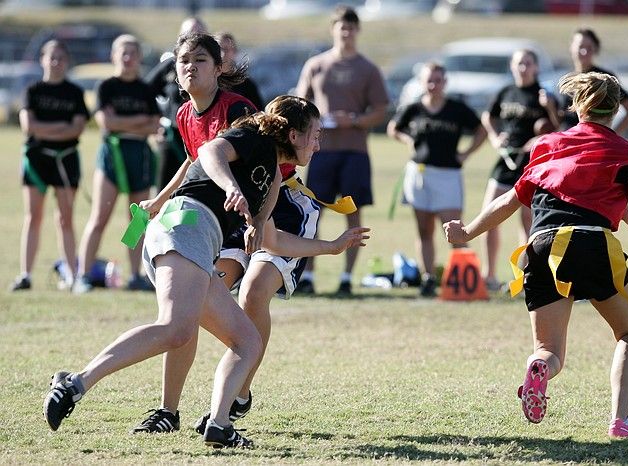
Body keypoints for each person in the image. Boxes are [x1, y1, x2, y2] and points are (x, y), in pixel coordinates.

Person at [43, 95, 327, 449]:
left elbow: (270, 236)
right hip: (187, 224)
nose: (318, 143)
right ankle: (75, 383)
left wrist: (331, 245)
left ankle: (219, 426)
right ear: (294, 135)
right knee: (177, 329)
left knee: (247, 341)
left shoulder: (271, 172)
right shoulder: (255, 137)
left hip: (197, 239)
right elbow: (209, 152)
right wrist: (231, 187)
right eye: (314, 134)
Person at [129, 32, 369, 434]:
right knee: (190, 302)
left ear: (220, 67)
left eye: (201, 60)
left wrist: (258, 218)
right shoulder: (186, 114)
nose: (190, 67)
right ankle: (168, 411)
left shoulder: (237, 108)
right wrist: (159, 201)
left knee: (252, 292)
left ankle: (239, 393)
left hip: (278, 205)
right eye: (184, 59)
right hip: (225, 209)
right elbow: (195, 162)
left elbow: (262, 167)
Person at [444, 71, 628, 437]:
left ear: (577, 107)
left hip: (541, 244)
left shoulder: (546, 144)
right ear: (616, 110)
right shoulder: (627, 155)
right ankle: (621, 422)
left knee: (548, 351)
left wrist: (467, 231)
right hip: (593, 243)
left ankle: (538, 367)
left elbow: (511, 199)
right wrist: (624, 211)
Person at [295, 4, 389, 295]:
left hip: (354, 152)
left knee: (353, 212)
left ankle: (347, 276)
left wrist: (357, 120)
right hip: (320, 151)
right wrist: (316, 120)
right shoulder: (317, 65)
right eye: (341, 27)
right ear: (334, 30)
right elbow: (300, 102)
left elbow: (382, 110)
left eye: (351, 28)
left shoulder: (368, 69)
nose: (346, 33)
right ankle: (308, 275)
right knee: (313, 212)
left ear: (357, 31)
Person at [387, 61, 487, 297]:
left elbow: (481, 129)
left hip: (448, 175)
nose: (433, 84)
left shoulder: (456, 108)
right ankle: (429, 277)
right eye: (429, 80)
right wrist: (407, 140)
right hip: (420, 173)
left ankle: (465, 279)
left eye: (438, 80)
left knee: (456, 231)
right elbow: (394, 128)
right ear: (422, 82)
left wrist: (466, 152)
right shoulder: (413, 108)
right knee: (424, 230)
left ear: (445, 82)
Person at [73, 34, 161, 293]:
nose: (128, 57)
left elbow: (155, 125)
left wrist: (124, 121)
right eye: (123, 52)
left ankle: (136, 275)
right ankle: (83, 275)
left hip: (140, 156)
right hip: (112, 155)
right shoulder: (106, 87)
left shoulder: (146, 90)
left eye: (133, 52)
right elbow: (106, 123)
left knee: (137, 220)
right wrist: (139, 122)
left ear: (139, 58)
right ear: (113, 56)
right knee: (99, 216)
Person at [11, 40, 89, 292]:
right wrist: (61, 129)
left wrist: (46, 130)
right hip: (37, 160)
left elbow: (77, 128)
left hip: (66, 160)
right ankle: (25, 275)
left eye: (60, 58)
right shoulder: (32, 90)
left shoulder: (75, 93)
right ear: (42, 60)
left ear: (67, 61)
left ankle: (72, 277)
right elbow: (27, 126)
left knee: (65, 219)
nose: (55, 62)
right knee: (33, 216)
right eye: (51, 57)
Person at [480, 49, 560, 291]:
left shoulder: (544, 95)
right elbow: (488, 116)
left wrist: (545, 125)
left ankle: (525, 276)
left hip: (533, 166)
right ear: (512, 66)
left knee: (528, 223)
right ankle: (489, 276)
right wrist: (494, 138)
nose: (523, 68)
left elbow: (559, 130)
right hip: (505, 161)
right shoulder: (505, 92)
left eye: (527, 64)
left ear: (536, 67)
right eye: (518, 64)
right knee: (488, 217)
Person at [145, 16, 207, 192]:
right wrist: (156, 120)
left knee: (197, 191)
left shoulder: (212, 66)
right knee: (164, 190)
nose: (194, 36)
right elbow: (145, 91)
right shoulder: (171, 65)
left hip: (203, 137)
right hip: (172, 137)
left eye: (199, 32)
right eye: (189, 32)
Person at [562, 28, 628, 134]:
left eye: (589, 48)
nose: (584, 52)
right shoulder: (568, 79)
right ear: (571, 48)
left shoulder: (603, 79)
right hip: (569, 140)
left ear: (596, 50)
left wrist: (612, 135)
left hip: (591, 140)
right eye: (580, 46)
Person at [215, 31, 264, 110]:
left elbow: (258, 113)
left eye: (226, 49)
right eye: (219, 49)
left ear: (235, 52)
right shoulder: (207, 82)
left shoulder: (246, 85)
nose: (222, 54)